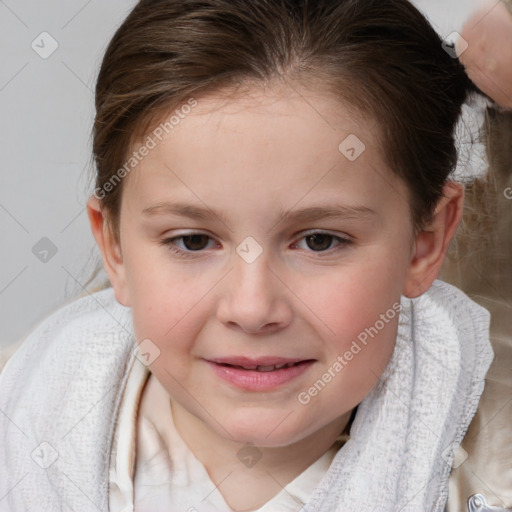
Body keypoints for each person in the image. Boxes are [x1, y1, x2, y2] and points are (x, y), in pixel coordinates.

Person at [0, 0, 500, 510]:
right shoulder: (21, 431)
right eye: (193, 241)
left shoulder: (489, 479)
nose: (252, 308)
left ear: (425, 242)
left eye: (319, 241)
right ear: (115, 249)